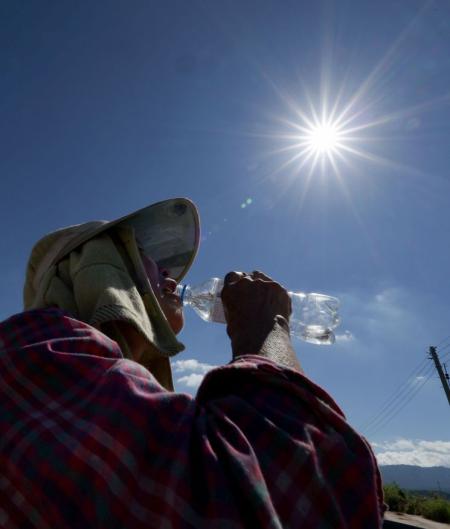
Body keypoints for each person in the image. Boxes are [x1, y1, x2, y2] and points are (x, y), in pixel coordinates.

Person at [0, 198, 384, 528]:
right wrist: (268, 329)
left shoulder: (88, 374)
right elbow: (288, 490)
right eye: (142, 257)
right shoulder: (38, 347)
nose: (169, 278)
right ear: (94, 268)